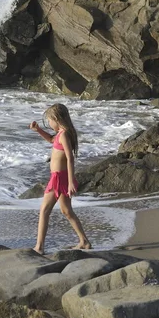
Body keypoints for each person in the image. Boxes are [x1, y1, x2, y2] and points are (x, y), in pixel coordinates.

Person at [29, 103, 91, 254]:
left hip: (59, 179)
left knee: (44, 210)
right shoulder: (61, 134)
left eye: (50, 120)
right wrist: (38, 130)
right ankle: (84, 241)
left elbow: (70, 158)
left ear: (57, 119)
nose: (49, 124)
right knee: (67, 211)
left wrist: (70, 182)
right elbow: (51, 140)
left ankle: (39, 247)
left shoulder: (63, 135)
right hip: (60, 177)